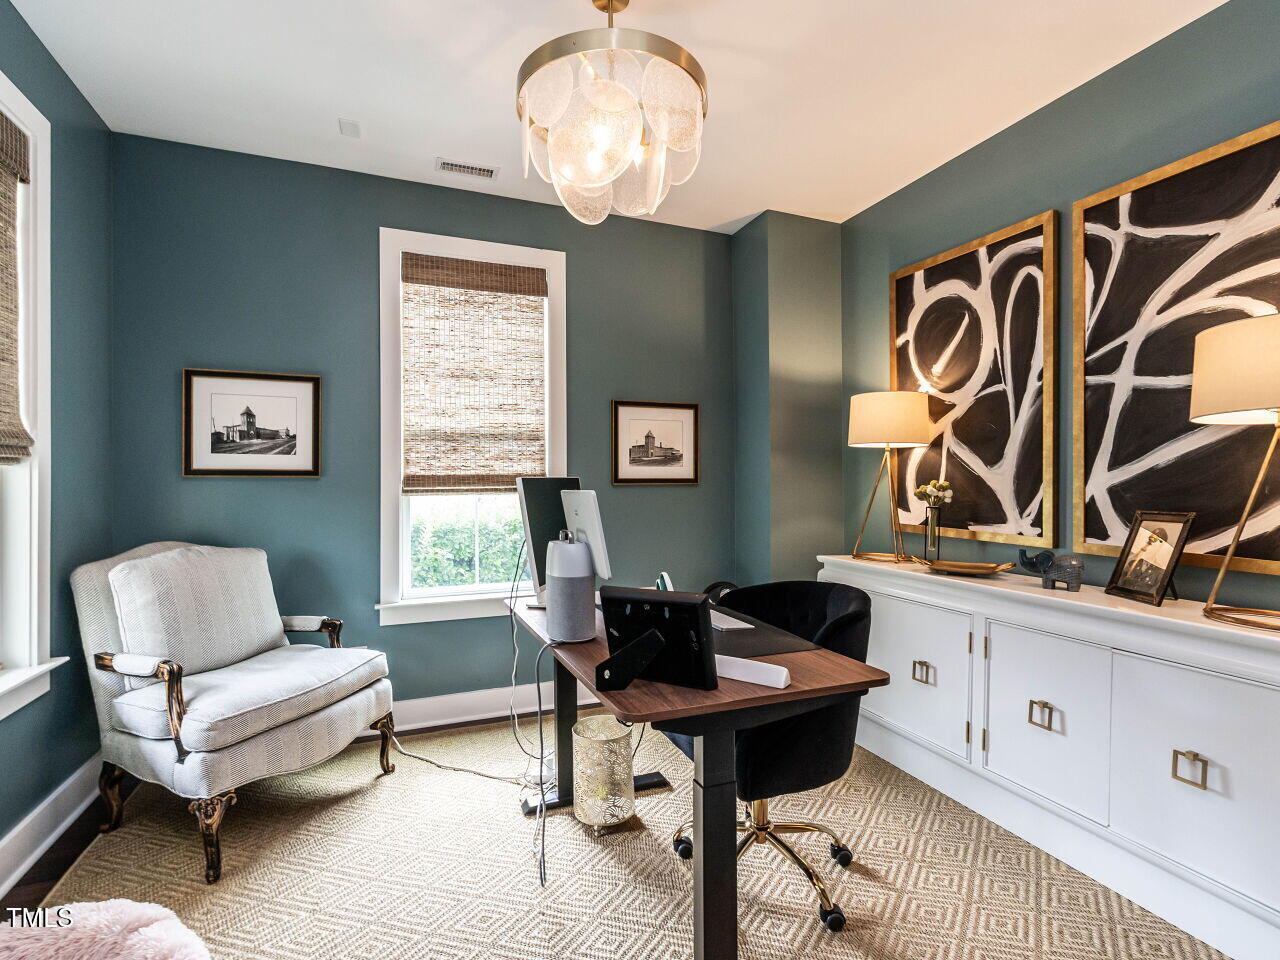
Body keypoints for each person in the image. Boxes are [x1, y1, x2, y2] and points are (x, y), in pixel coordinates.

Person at [1118, 526, 1171, 594]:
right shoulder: (1131, 563)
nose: (1146, 547)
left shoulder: (1160, 572)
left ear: (1160, 546)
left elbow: (1153, 595)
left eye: (1151, 545)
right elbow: (1119, 584)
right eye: (1148, 543)